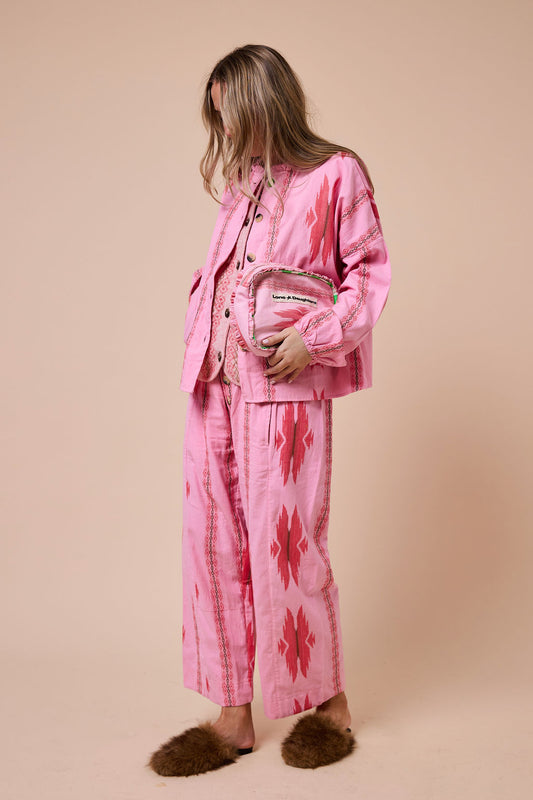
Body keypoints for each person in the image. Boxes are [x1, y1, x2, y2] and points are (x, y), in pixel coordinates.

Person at [148, 44, 391, 776]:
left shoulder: (337, 173)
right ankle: (233, 716)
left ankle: (329, 705)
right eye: (217, 117)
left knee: (288, 546)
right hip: (213, 387)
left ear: (262, 102)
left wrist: (315, 338)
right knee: (212, 547)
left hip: (284, 394)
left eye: (230, 113)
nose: (224, 130)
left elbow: (367, 275)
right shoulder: (242, 183)